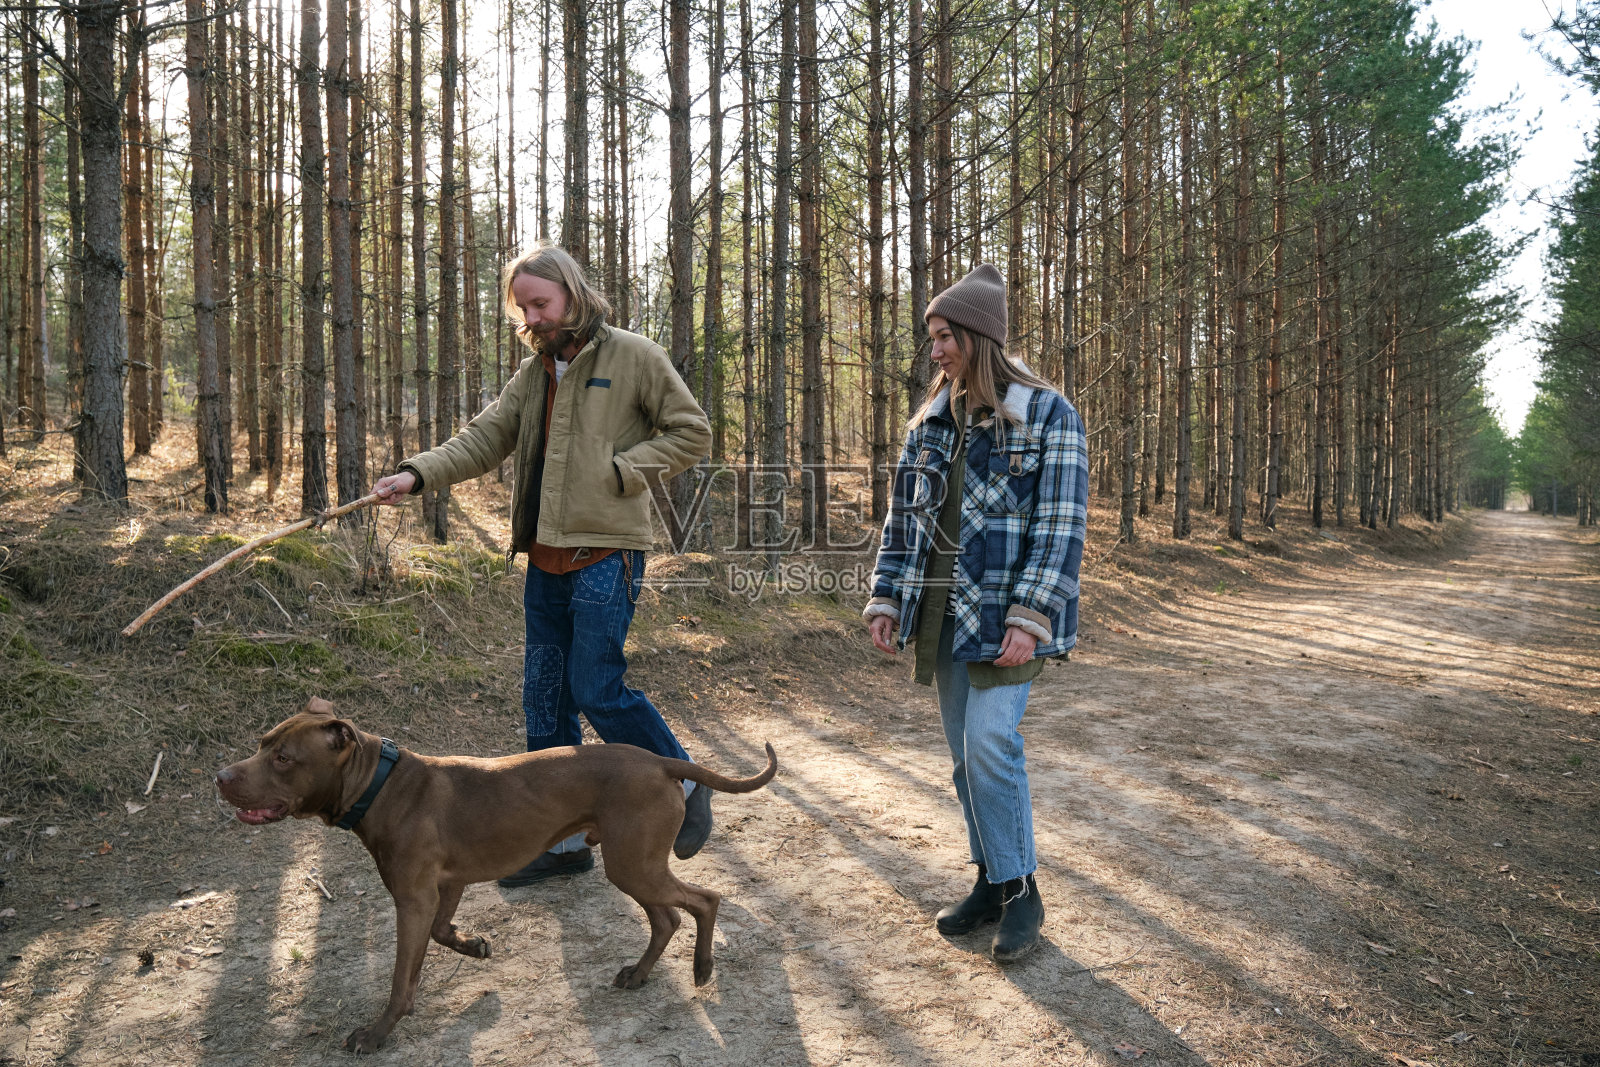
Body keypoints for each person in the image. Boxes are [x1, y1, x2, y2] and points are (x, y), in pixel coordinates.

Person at [372, 242, 714, 885]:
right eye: (521, 308)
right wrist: (415, 476)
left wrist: (622, 470)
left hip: (606, 554)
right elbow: (483, 438)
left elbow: (692, 431)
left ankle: (686, 782)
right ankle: (557, 847)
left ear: (573, 295)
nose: (531, 318)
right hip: (545, 557)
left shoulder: (634, 356)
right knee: (545, 699)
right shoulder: (532, 377)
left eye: (541, 303)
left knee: (597, 688)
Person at [863, 263, 1088, 962]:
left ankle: (1023, 891)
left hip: (1006, 616)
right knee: (965, 760)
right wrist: (886, 594)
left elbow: (1060, 527)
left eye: (943, 336)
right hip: (943, 615)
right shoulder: (931, 422)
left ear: (978, 335)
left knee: (992, 744)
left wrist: (1029, 616)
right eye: (931, 337)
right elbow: (906, 519)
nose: (934, 351)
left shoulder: (1049, 415)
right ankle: (990, 880)